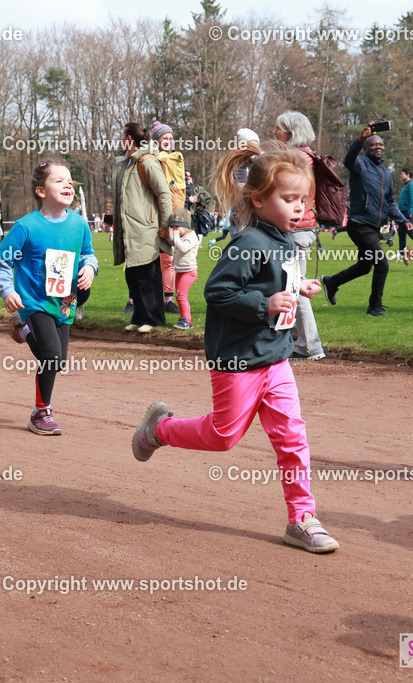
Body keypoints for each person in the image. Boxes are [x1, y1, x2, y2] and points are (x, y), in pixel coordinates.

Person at [131, 143, 339, 554]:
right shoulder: (248, 243)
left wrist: (297, 289)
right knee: (223, 437)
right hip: (238, 361)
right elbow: (218, 292)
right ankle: (159, 430)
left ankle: (301, 518)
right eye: (288, 199)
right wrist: (265, 304)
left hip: (276, 358)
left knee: (293, 438)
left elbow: (272, 284)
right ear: (259, 200)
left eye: (303, 199)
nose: (299, 208)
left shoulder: (283, 241)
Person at [0, 160, 98, 435]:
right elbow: (2, 261)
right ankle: (41, 412)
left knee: (57, 361)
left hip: (64, 302)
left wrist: (89, 267)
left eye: (69, 180)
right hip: (33, 301)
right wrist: (7, 291)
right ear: (41, 191)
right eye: (58, 180)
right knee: (50, 356)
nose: (67, 184)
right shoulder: (27, 226)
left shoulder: (78, 224)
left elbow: (88, 252)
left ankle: (22, 330)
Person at [320, 124, 412, 316]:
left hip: (374, 227)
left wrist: (403, 221)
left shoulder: (386, 173)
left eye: (380, 144)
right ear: (366, 148)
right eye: (373, 145)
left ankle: (332, 281)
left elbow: (389, 202)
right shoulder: (360, 164)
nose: (378, 147)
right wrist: (361, 139)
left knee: (364, 266)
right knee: (382, 264)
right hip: (359, 224)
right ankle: (374, 307)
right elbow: (347, 160)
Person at [273, 110, 325, 361]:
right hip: (305, 227)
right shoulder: (308, 155)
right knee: (291, 283)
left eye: (279, 128)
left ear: (291, 132)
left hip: (296, 229)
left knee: (296, 285)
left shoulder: (294, 157)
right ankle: (295, 337)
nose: (274, 132)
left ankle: (310, 346)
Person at [112, 122, 172, 333]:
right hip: (130, 232)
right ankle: (139, 317)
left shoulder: (147, 162)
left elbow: (164, 193)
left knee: (149, 276)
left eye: (122, 136)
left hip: (146, 231)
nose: (120, 139)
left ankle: (154, 320)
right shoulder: (127, 163)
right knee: (133, 276)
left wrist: (165, 225)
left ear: (129, 139)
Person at [150, 121, 188, 315]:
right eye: (164, 138)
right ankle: (136, 299)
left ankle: (168, 300)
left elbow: (180, 192)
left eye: (170, 139)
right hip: (152, 215)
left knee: (168, 260)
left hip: (171, 216)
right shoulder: (151, 160)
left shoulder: (175, 161)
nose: (168, 141)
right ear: (156, 141)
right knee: (146, 259)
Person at [168, 208, 199, 330]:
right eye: (173, 227)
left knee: (181, 295)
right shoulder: (182, 235)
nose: (175, 230)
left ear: (185, 226)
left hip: (189, 272)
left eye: (177, 227)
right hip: (180, 270)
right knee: (180, 295)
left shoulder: (191, 237)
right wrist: (167, 236)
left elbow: (183, 248)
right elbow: (175, 243)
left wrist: (175, 237)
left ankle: (186, 319)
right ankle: (186, 319)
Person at [396, 168, 413, 262]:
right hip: (403, 212)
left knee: (410, 231)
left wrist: (410, 212)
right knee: (401, 232)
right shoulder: (406, 185)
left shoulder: (412, 185)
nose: (401, 175)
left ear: (408, 175)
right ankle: (402, 252)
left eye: (402, 174)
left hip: (409, 212)